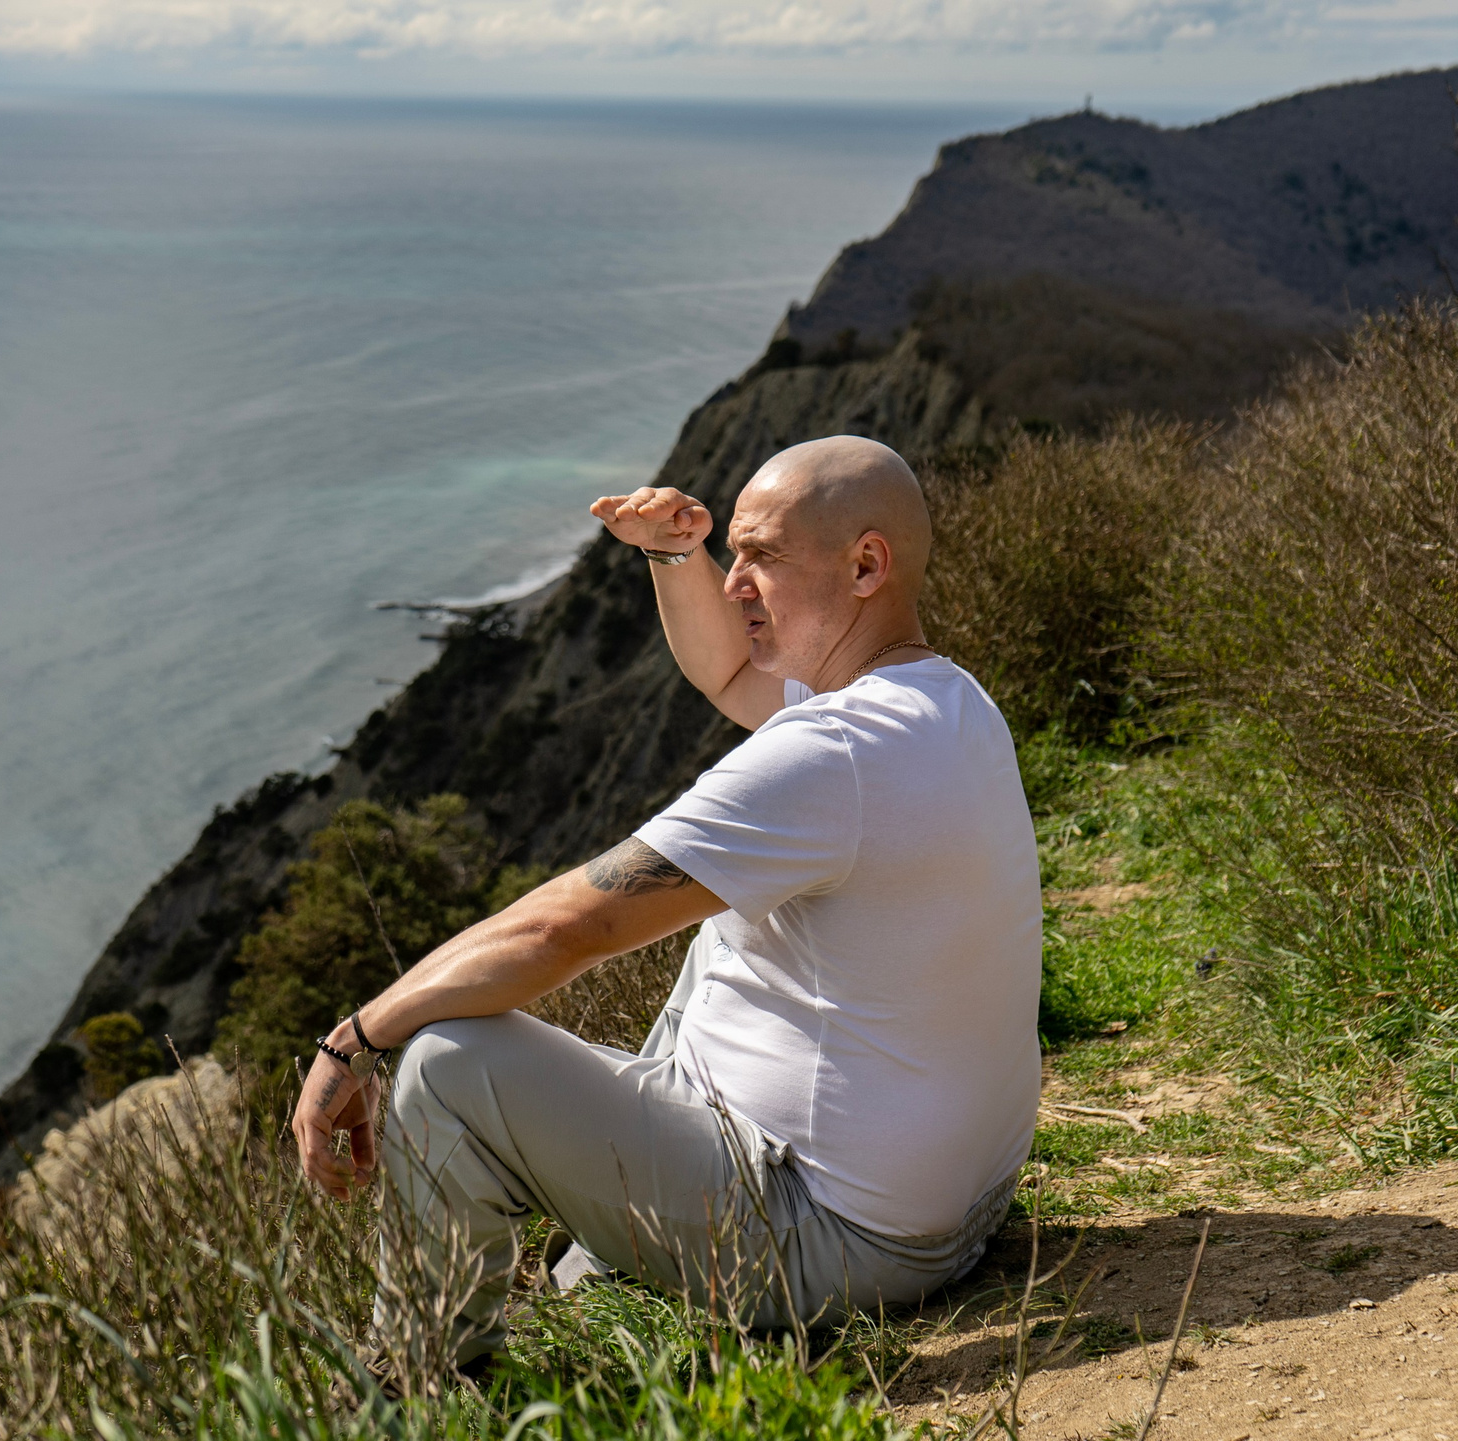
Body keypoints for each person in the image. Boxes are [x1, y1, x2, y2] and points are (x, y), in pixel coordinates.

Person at [287, 435, 1041, 1366]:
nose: (736, 583)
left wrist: (355, 1040)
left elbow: (566, 926)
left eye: (761, 555)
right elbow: (731, 673)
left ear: (865, 564)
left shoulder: (833, 756)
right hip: (950, 1208)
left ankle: (419, 1384)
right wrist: (674, 556)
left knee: (446, 1062)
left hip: (840, 1243)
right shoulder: (944, 702)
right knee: (726, 931)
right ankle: (586, 1265)